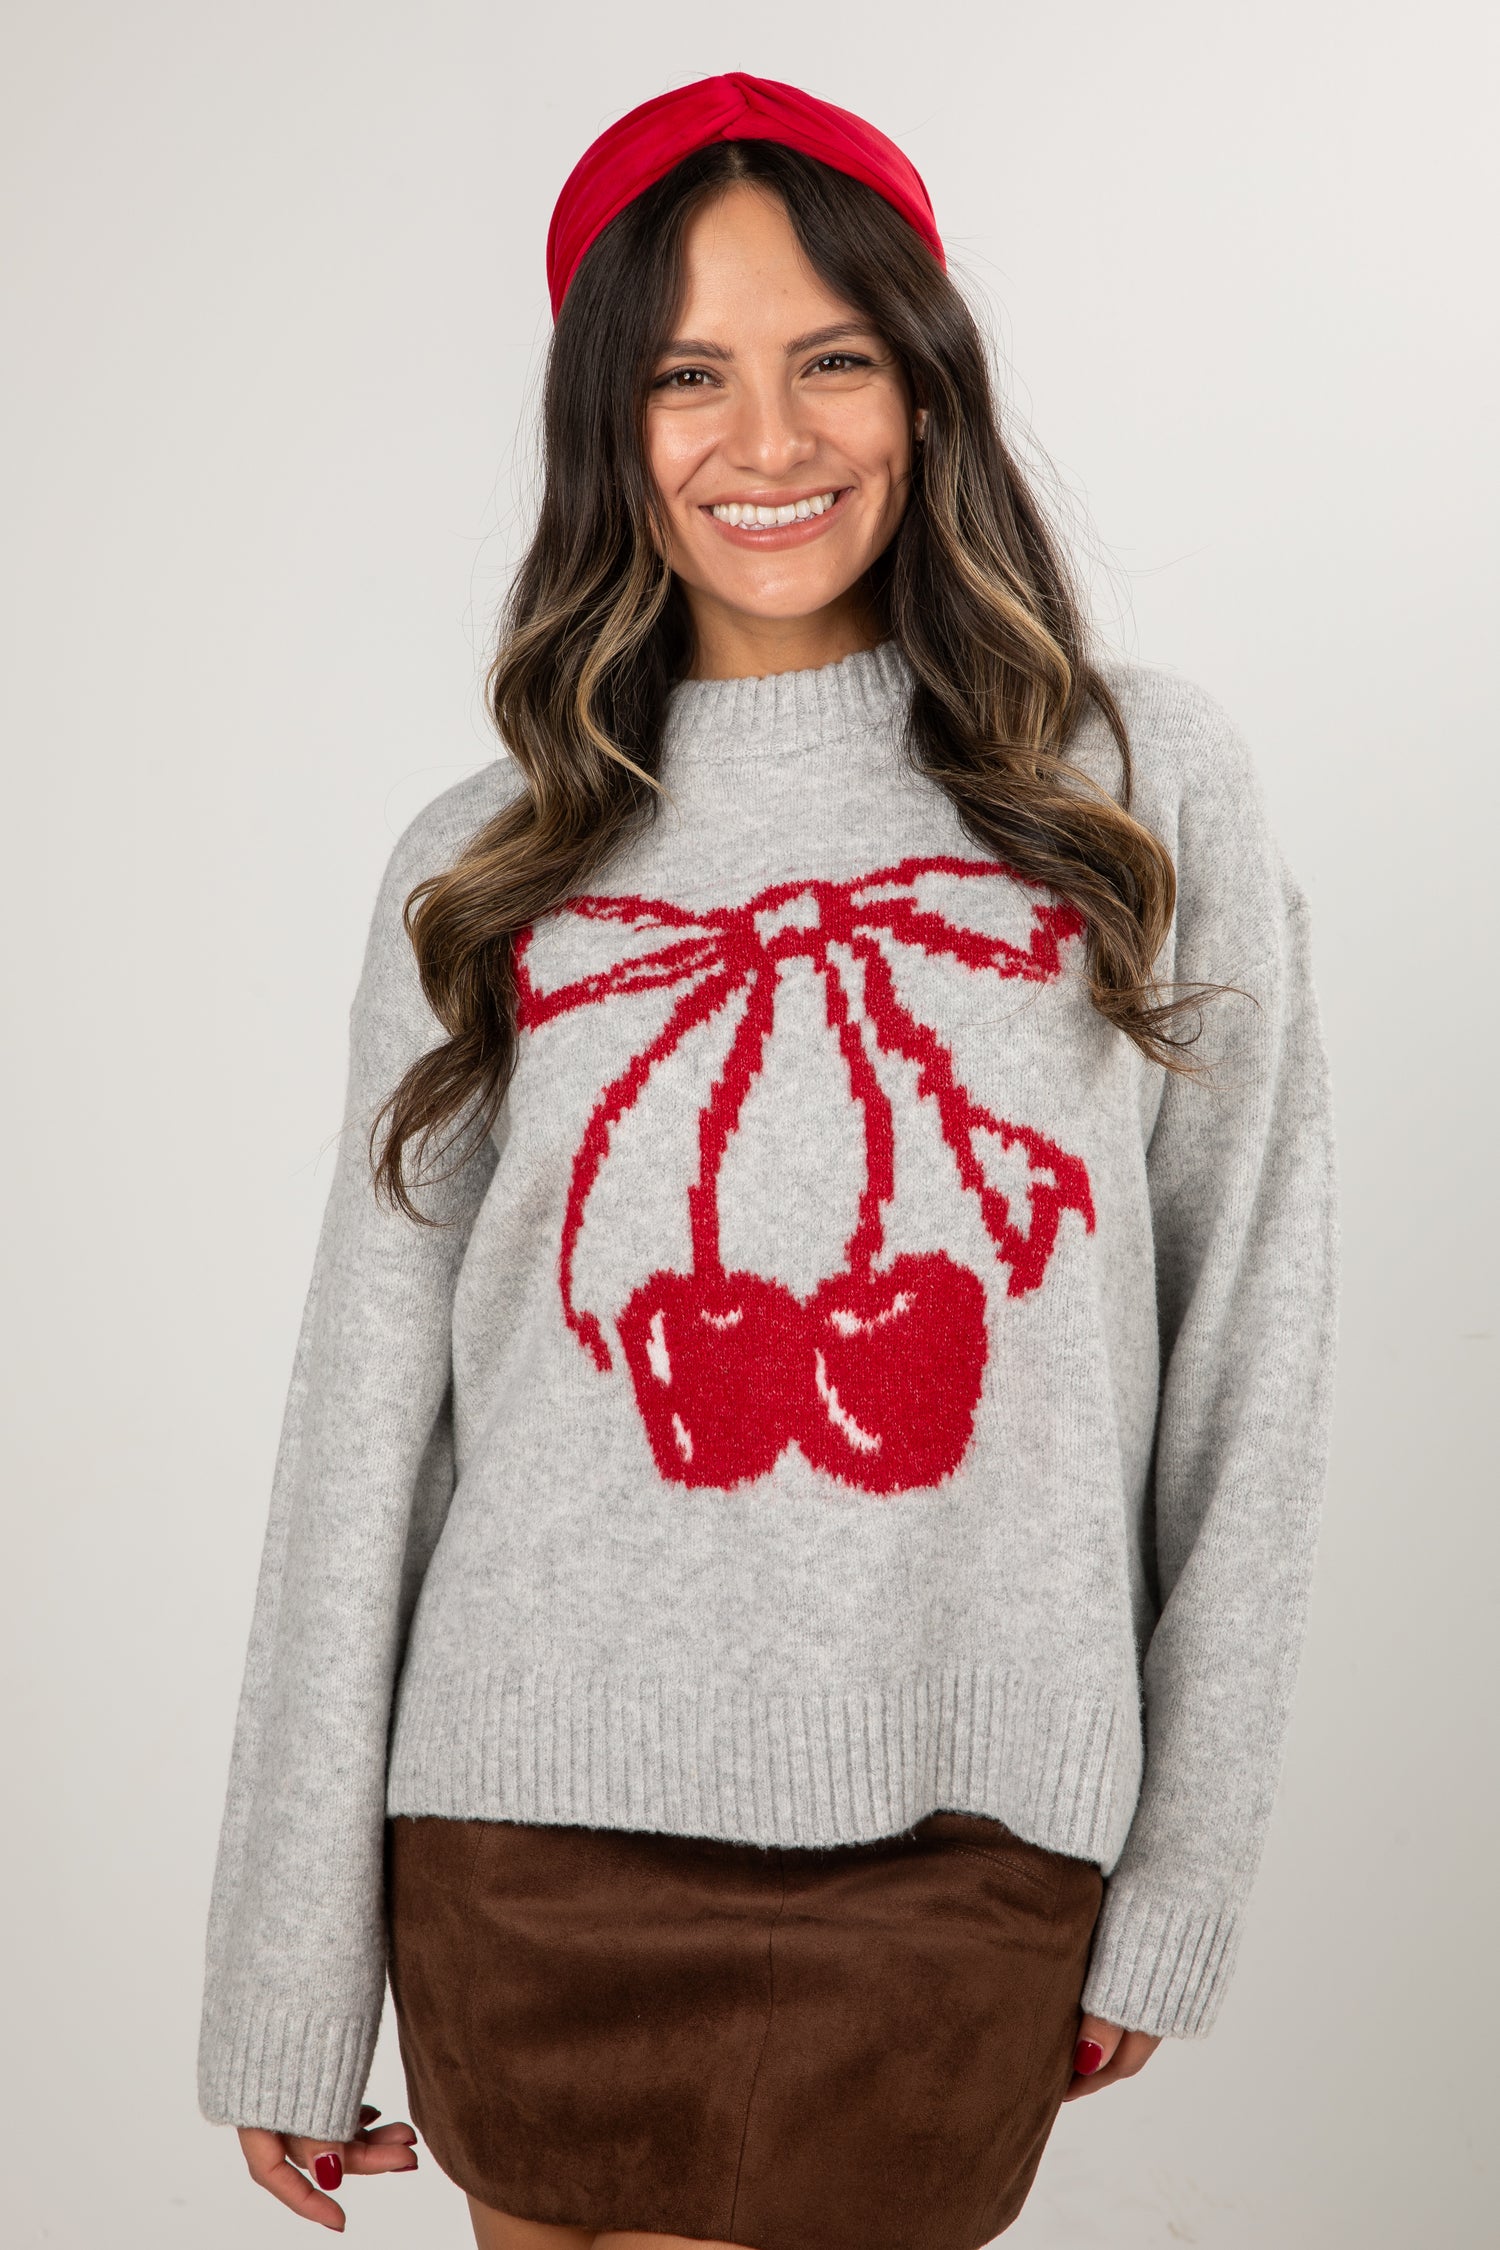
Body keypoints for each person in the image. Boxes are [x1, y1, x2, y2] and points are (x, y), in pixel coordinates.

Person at [197, 71, 1339, 2250]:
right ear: (604, 431)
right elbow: (369, 1433)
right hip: (519, 1846)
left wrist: (1177, 1870)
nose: (771, 439)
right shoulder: (483, 866)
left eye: (833, 359)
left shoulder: (1127, 786)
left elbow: (1246, 1358)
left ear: (925, 388)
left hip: (954, 1839)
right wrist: (281, 1980)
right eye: (686, 379)